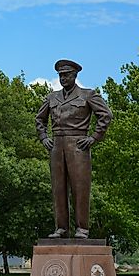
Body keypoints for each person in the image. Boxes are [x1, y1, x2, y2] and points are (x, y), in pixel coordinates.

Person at [35, 59, 112, 239]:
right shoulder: (51, 97)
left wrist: (94, 137)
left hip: (78, 145)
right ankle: (61, 228)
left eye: (66, 74)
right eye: (60, 75)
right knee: (58, 189)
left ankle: (82, 228)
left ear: (75, 75)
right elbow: (39, 119)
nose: (63, 78)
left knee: (80, 189)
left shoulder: (88, 95)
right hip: (56, 145)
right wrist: (44, 137)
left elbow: (106, 115)